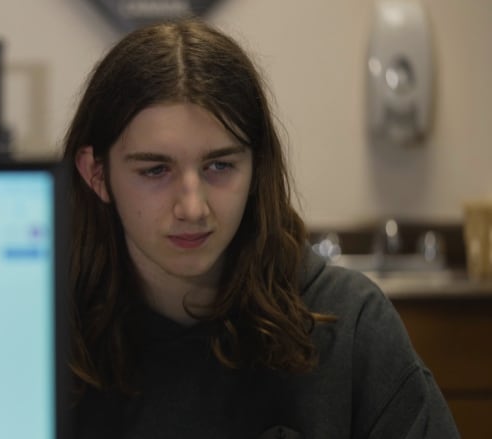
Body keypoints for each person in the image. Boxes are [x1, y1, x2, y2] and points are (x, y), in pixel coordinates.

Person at [61, 18, 459, 439]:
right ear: (97, 174)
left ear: (257, 169)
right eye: (156, 169)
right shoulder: (47, 334)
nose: (193, 208)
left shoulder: (349, 324)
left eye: (219, 166)